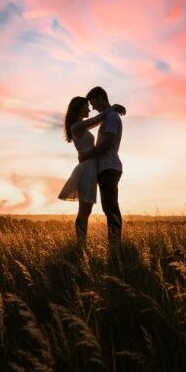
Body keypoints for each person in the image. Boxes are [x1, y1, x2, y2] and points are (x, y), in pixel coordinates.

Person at [58, 96, 126, 244]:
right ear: (79, 108)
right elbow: (99, 118)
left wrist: (111, 112)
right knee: (84, 212)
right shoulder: (77, 126)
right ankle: (80, 244)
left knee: (86, 211)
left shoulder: (81, 125)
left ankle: (81, 244)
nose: (89, 109)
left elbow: (99, 120)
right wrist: (113, 107)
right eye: (86, 106)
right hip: (86, 170)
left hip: (90, 169)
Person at [78, 86, 123, 249]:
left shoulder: (111, 117)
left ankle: (115, 247)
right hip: (106, 168)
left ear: (100, 98)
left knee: (110, 209)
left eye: (93, 102)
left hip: (109, 168)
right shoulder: (108, 116)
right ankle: (114, 246)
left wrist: (86, 155)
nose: (92, 107)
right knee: (109, 208)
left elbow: (107, 144)